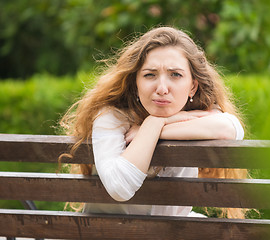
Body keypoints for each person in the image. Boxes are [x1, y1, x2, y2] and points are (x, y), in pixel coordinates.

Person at [59, 26, 247, 218]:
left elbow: (231, 129)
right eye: (150, 75)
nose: (162, 88)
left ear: (192, 86)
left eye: (175, 75)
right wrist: (153, 125)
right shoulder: (112, 117)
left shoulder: (193, 113)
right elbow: (119, 187)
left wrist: (155, 126)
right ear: (135, 83)